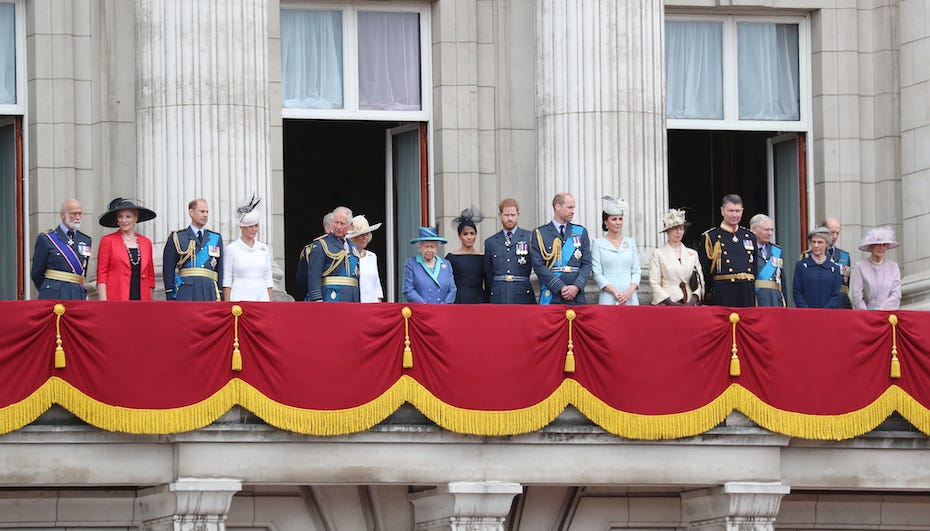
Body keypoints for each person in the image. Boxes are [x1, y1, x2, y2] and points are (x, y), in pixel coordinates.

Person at [530, 192, 592, 305]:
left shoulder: (580, 232)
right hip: (552, 294)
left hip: (576, 296)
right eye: (569, 207)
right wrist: (560, 287)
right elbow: (538, 265)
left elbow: (587, 263)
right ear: (557, 206)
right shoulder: (540, 233)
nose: (573, 211)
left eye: (574, 207)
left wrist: (577, 286)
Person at [699, 194, 757, 307]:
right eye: (730, 211)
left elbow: (754, 268)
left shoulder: (749, 236)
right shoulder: (711, 237)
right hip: (723, 293)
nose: (734, 215)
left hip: (746, 293)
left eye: (737, 211)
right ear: (722, 211)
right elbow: (705, 271)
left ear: (742, 211)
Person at [96, 198, 157, 301]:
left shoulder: (146, 242)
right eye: (120, 217)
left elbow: (150, 277)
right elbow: (102, 275)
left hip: (142, 298)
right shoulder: (107, 241)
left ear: (135, 219)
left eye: (128, 216)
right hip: (116, 298)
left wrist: (149, 302)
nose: (124, 220)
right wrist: (104, 301)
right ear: (117, 220)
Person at [31, 198, 92, 300]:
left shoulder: (86, 240)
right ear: (63, 214)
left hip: (77, 294)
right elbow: (37, 273)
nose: (78, 217)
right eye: (74, 214)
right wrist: (49, 290)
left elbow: (82, 273)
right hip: (54, 295)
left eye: (80, 214)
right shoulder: (46, 239)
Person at [163, 198, 223, 301]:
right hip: (186, 291)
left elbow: (220, 269)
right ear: (191, 212)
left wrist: (220, 292)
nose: (205, 215)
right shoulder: (178, 237)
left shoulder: (215, 238)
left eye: (207, 212)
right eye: (202, 211)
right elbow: (168, 269)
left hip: (209, 290)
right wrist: (170, 294)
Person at [483, 198, 535, 304]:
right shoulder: (491, 242)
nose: (510, 218)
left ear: (518, 214)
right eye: (506, 215)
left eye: (513, 215)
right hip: (499, 295)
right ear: (500, 215)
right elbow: (488, 274)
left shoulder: (529, 237)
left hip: (522, 294)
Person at [222, 196, 273, 302]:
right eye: (250, 226)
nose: (254, 229)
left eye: (256, 226)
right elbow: (227, 280)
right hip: (239, 299)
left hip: (262, 299)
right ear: (242, 227)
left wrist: (270, 304)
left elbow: (268, 279)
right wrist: (227, 305)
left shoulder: (264, 249)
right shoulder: (231, 249)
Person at [591, 195, 640, 305]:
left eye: (620, 219)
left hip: (630, 297)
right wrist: (614, 292)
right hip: (608, 297)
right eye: (614, 219)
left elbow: (636, 271)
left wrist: (629, 292)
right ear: (606, 222)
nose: (618, 222)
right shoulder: (598, 243)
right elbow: (597, 273)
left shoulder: (630, 243)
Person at [648, 208, 703, 305]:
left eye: (681, 229)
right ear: (667, 231)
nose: (678, 232)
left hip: (690, 303)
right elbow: (654, 282)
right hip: (668, 303)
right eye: (675, 228)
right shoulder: (658, 254)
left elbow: (700, 280)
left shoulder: (692, 254)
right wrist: (669, 302)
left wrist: (694, 298)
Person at [306, 206, 360, 302]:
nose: (338, 227)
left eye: (342, 223)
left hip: (352, 300)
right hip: (331, 298)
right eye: (336, 223)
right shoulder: (321, 245)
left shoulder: (353, 247)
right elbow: (313, 277)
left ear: (350, 225)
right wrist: (317, 300)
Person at [803, 217, 852, 308]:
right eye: (832, 232)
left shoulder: (844, 257)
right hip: (815, 304)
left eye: (837, 233)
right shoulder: (807, 256)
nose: (835, 236)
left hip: (840, 306)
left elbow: (846, 286)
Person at [850, 227, 901, 310]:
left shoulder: (893, 267)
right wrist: (867, 313)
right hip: (866, 316)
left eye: (884, 244)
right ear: (871, 246)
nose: (881, 247)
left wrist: (881, 309)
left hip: (888, 314)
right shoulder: (860, 266)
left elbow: (896, 294)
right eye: (878, 244)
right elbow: (857, 295)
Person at [445, 207, 488, 303]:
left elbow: (488, 282)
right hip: (459, 300)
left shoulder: (483, 257)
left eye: (472, 233)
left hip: (479, 300)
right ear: (459, 236)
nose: (469, 237)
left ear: (476, 235)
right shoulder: (451, 258)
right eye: (465, 234)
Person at [793, 226, 843, 308]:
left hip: (827, 316)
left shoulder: (835, 269)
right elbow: (797, 292)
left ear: (827, 244)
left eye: (820, 242)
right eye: (813, 242)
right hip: (806, 315)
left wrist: (824, 312)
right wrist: (807, 311)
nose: (816, 245)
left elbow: (836, 295)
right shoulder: (801, 266)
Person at [404, 227, 456, 304]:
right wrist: (425, 306)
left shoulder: (446, 264)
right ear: (420, 247)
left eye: (432, 247)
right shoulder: (412, 263)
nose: (429, 250)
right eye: (426, 246)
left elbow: (452, 289)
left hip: (442, 310)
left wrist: (445, 305)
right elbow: (408, 289)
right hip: (421, 310)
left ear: (437, 248)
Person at [295, 212, 333, 301]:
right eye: (336, 224)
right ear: (327, 228)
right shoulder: (311, 250)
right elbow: (302, 281)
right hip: (322, 298)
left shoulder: (349, 248)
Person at [750, 214, 786, 307]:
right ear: (754, 230)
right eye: (766, 230)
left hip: (775, 300)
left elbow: (782, 281)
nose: (770, 233)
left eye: (772, 230)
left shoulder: (776, 250)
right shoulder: (748, 249)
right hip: (756, 299)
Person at [348, 214, 384, 303]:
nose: (365, 237)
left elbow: (376, 283)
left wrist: (379, 301)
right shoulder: (347, 256)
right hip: (355, 305)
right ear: (353, 238)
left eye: (367, 234)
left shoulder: (372, 256)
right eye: (361, 235)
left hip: (372, 304)